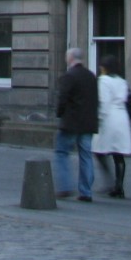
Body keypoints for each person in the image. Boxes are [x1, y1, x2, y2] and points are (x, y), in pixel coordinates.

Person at [53, 46, 98, 202]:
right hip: (88, 122)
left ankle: (65, 187)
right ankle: (86, 192)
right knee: (86, 156)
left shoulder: (69, 76)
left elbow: (62, 98)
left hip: (71, 122)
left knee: (61, 153)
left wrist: (59, 114)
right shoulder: (91, 76)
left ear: (70, 58)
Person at [91, 54, 131, 199]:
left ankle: (109, 181)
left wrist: (99, 118)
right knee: (118, 155)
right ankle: (119, 186)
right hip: (122, 118)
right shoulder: (122, 81)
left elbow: (104, 101)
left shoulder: (103, 81)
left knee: (98, 150)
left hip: (109, 118)